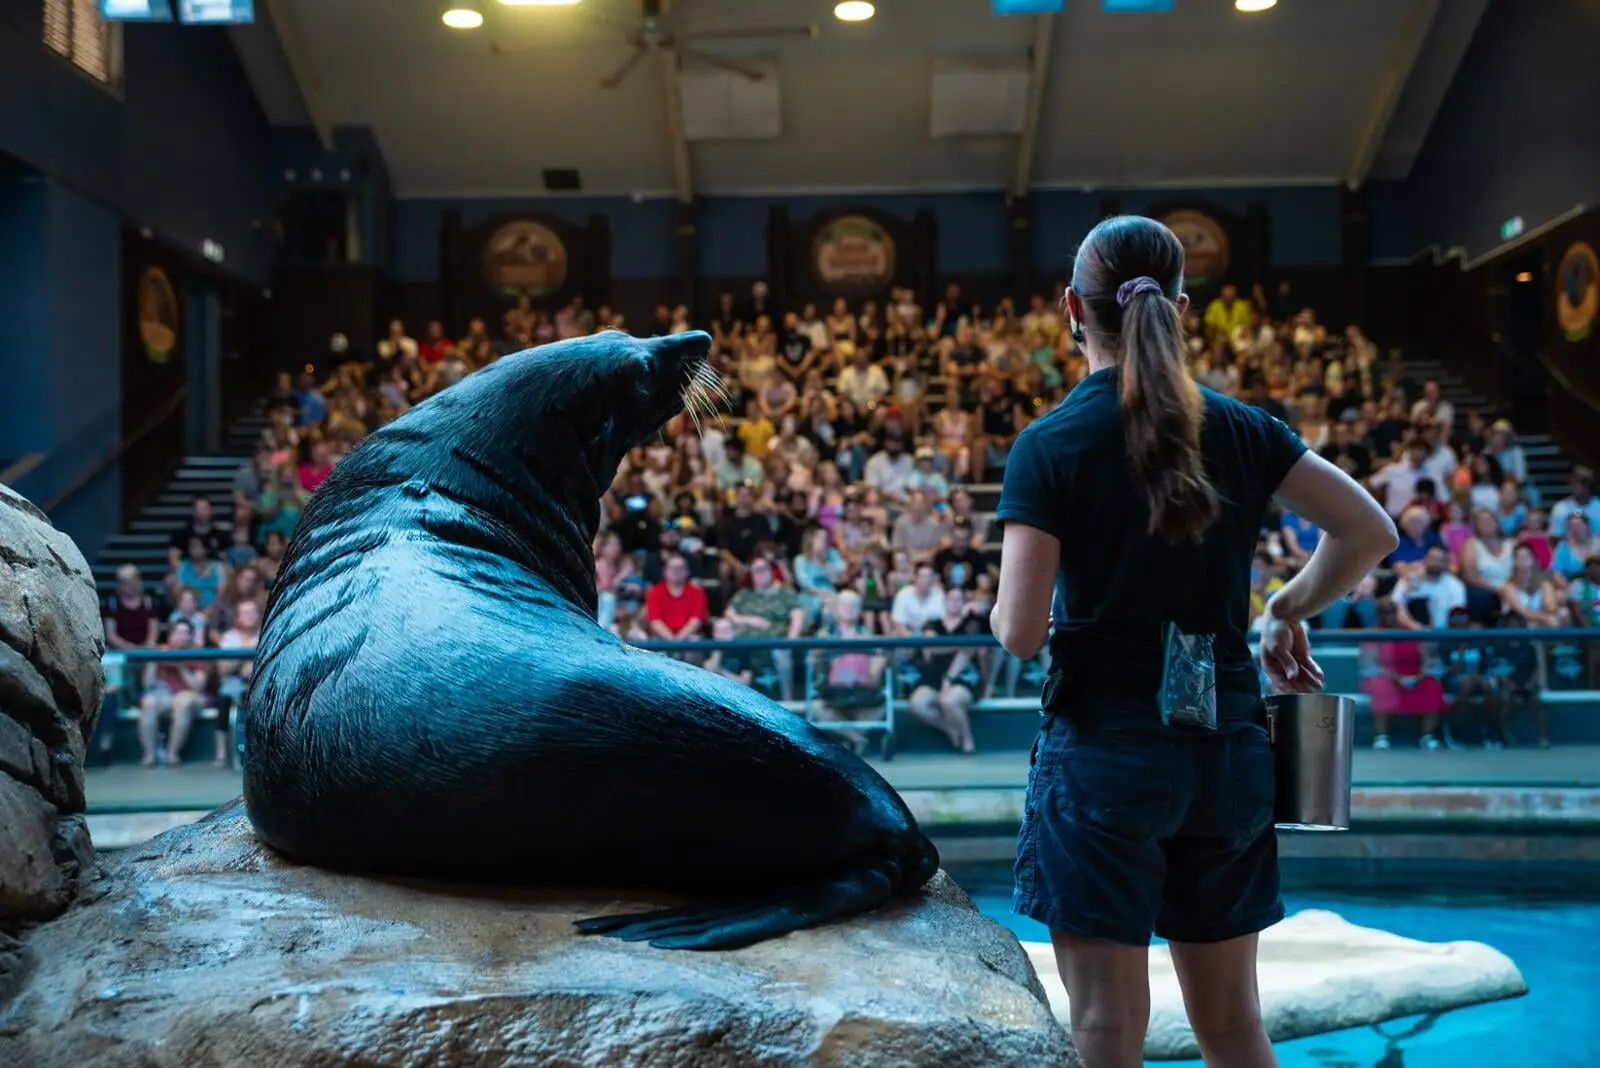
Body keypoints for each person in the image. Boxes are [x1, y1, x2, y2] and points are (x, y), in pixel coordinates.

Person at [989, 216, 1397, 1068]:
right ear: (1179, 308)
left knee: (1105, 1022)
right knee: (1234, 1024)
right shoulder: (1245, 429)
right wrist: (1286, 605)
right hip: (1227, 756)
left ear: (1072, 308)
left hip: (1104, 758)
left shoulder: (1050, 445)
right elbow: (1368, 531)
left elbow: (1021, 633)